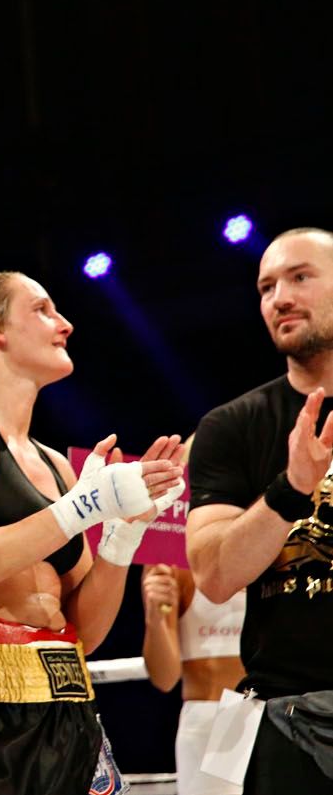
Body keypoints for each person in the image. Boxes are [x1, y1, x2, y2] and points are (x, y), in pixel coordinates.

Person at [0, 272, 184, 795]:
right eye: (42, 310)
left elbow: (85, 632)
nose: (65, 324)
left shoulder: (56, 465)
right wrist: (84, 506)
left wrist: (121, 533)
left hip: (63, 696)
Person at [186, 227, 333, 795]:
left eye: (300, 277)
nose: (280, 298)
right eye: (266, 287)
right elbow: (214, 574)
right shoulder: (233, 425)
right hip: (286, 718)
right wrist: (292, 488)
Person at [140, 559, 245, 795]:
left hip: (287, 714)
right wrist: (155, 618)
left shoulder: (296, 543)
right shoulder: (168, 562)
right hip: (215, 717)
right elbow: (165, 679)